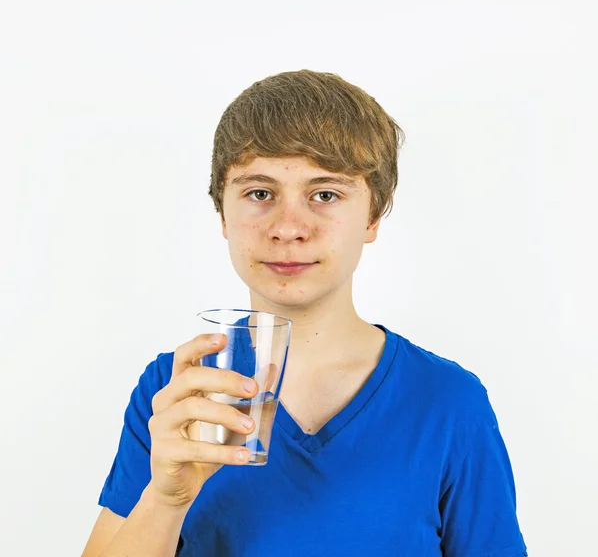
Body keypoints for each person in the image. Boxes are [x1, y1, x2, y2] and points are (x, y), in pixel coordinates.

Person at [82, 70, 528, 556]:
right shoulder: (177, 388)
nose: (289, 227)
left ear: (373, 216)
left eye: (325, 194)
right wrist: (166, 500)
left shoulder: (447, 401)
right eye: (259, 193)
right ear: (223, 215)